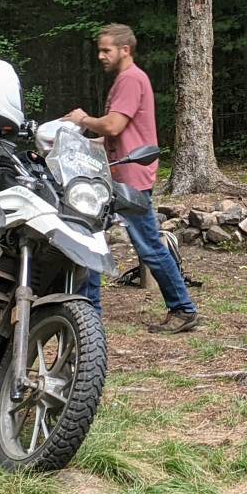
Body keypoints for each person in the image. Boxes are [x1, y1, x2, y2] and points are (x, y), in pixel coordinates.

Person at [64, 24, 199, 333]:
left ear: (125, 50)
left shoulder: (130, 79)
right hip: (119, 173)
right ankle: (89, 313)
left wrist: (82, 120)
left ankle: (182, 308)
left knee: (146, 246)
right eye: (99, 50)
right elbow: (115, 136)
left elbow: (112, 126)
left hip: (130, 178)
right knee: (90, 234)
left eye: (106, 50)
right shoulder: (127, 80)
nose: (100, 56)